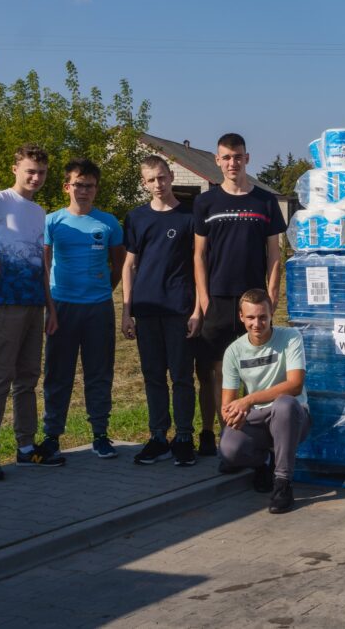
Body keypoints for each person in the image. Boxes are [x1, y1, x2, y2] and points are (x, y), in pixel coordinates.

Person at [0, 144, 63, 479]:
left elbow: (42, 265)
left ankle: (26, 448)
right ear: (15, 168)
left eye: (42, 173)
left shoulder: (39, 211)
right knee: (0, 378)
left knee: (28, 379)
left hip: (34, 304)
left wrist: (51, 308)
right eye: (30, 170)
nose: (35, 177)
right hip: (7, 303)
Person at [194, 133, 287, 457]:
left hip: (254, 301)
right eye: (226, 157)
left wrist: (271, 296)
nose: (232, 163)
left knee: (256, 371)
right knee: (213, 372)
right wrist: (204, 300)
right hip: (218, 300)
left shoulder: (264, 201)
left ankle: (251, 436)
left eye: (237, 157)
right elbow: (199, 255)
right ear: (218, 161)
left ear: (247, 158)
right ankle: (212, 433)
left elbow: (275, 254)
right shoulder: (206, 202)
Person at [40, 159, 126, 460]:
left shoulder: (109, 223)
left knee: (99, 374)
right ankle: (51, 436)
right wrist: (49, 308)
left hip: (98, 309)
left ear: (96, 189)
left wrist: (102, 292)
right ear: (67, 187)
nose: (84, 190)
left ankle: (100, 435)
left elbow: (119, 266)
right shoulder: (52, 222)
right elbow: (44, 265)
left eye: (89, 185)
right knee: (57, 374)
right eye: (78, 184)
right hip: (61, 308)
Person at [122, 156, 202, 467]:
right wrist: (126, 311)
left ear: (170, 176)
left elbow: (199, 265)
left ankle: (183, 437)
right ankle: (158, 436)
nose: (158, 184)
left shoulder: (189, 216)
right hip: (145, 309)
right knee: (153, 375)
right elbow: (129, 266)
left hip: (179, 308)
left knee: (182, 376)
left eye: (162, 177)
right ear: (144, 183)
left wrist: (197, 309)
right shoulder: (136, 218)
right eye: (151, 180)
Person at [219, 289, 311, 514]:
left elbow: (295, 385)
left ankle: (283, 484)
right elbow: (227, 405)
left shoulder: (290, 338)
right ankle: (263, 463)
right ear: (241, 317)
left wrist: (248, 400)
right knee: (229, 449)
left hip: (293, 415)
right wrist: (232, 415)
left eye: (262, 317)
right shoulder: (234, 351)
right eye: (250, 317)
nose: (257, 323)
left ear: (272, 314)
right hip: (258, 417)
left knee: (284, 404)